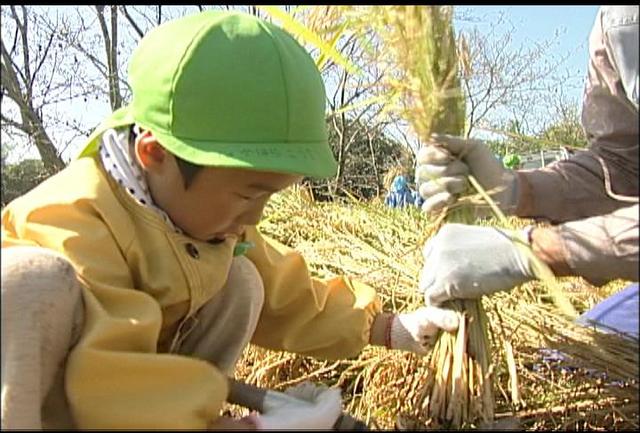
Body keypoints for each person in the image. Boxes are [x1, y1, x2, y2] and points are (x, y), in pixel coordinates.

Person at [0, 11, 460, 430]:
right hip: (55, 403)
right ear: (154, 153)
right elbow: (106, 375)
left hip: (126, 400)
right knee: (32, 282)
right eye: (248, 194)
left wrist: (387, 328)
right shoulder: (72, 220)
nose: (256, 215)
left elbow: (286, 292)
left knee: (242, 279)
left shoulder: (204, 218)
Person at [414, 6, 638, 338]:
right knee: (567, 364)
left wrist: (535, 250)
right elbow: (622, 165)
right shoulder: (619, 18)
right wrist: (516, 189)